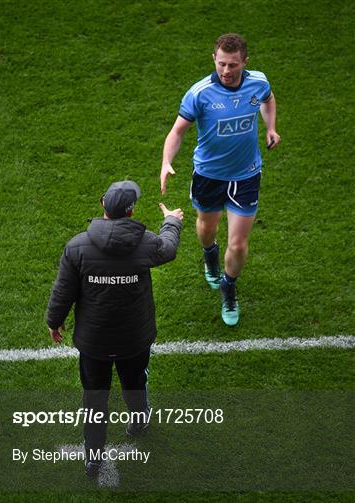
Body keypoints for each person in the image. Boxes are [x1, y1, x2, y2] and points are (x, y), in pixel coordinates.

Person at [47, 180, 183, 478]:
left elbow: (63, 292)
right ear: (131, 211)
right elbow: (169, 248)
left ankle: (93, 458)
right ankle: (138, 421)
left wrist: (54, 322)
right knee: (135, 381)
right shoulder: (146, 242)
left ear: (102, 204)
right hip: (134, 339)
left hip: (93, 343)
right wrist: (171, 221)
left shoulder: (77, 247)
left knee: (94, 398)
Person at [160, 33, 280, 326]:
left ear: (245, 62)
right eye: (222, 64)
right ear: (214, 59)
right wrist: (166, 162)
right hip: (209, 175)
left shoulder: (258, 82)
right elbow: (178, 131)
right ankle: (209, 255)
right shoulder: (199, 93)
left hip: (246, 174)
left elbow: (268, 99)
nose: (226, 71)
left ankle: (229, 286)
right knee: (207, 230)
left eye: (233, 65)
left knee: (238, 245)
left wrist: (270, 128)